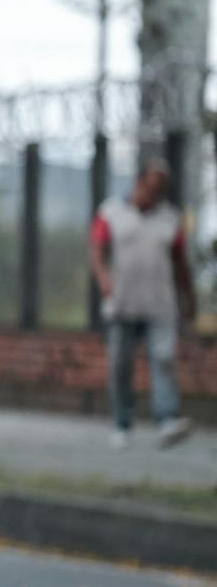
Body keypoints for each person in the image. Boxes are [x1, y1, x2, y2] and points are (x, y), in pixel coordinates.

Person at [92, 157, 196, 448]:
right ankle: (122, 424)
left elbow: (180, 264)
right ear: (138, 183)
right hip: (122, 303)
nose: (155, 194)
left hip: (160, 304)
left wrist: (189, 298)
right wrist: (103, 279)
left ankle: (166, 420)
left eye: (161, 190)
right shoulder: (110, 213)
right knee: (120, 366)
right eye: (152, 187)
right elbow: (97, 251)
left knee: (163, 360)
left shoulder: (171, 218)